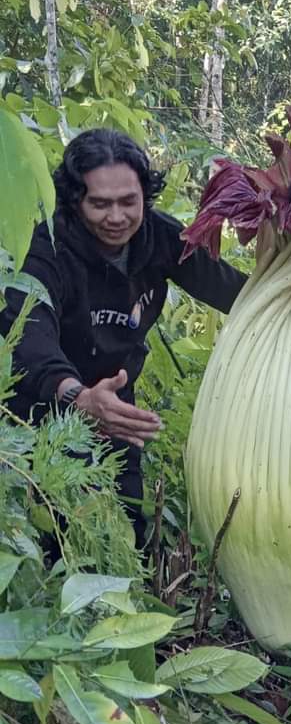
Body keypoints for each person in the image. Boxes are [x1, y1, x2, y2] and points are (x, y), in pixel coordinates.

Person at [0, 128, 246, 545]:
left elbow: (234, 292)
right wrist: (77, 395)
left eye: (128, 202)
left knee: (127, 530)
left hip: (116, 412)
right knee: (53, 535)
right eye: (100, 204)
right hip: (46, 408)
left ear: (144, 196)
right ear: (76, 200)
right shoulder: (48, 247)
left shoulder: (160, 237)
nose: (116, 217)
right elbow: (28, 331)